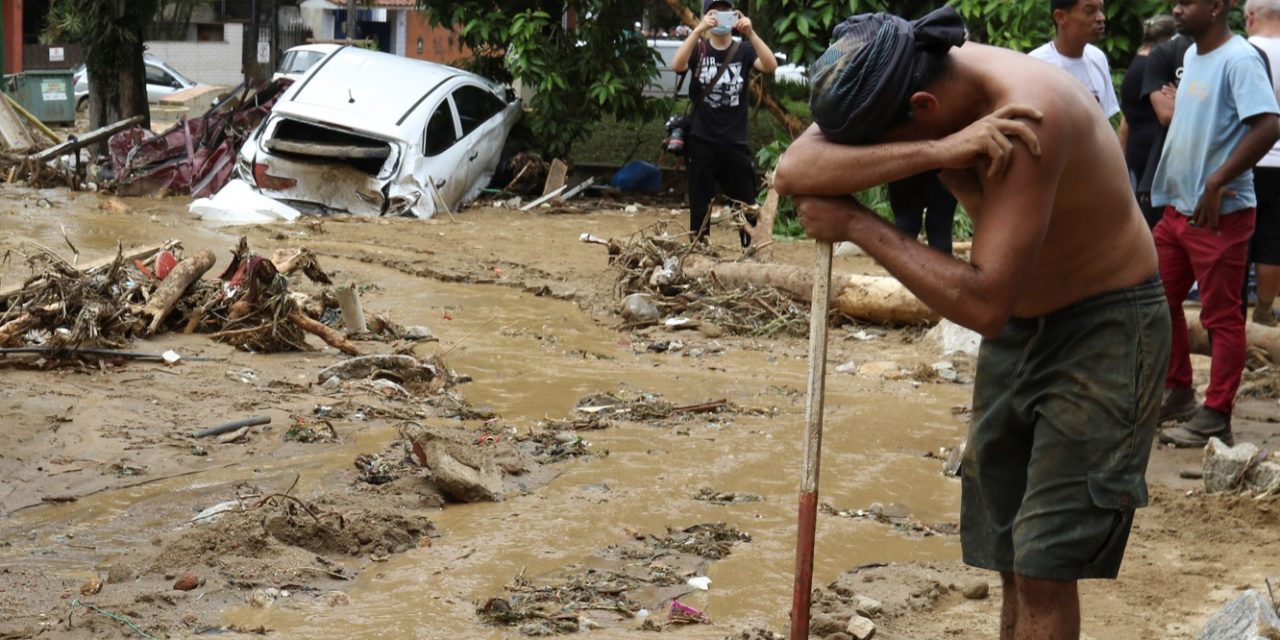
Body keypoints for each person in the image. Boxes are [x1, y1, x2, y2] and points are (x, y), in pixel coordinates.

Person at [774, 7, 1169, 639]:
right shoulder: (902, 74)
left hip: (1103, 329)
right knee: (1008, 553)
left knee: (1044, 564)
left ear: (924, 102)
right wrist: (936, 150)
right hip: (1021, 330)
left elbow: (985, 304)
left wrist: (856, 224)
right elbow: (793, 172)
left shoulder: (1026, 119)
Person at [1153, 0, 1280, 448]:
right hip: (1177, 209)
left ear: (1219, 5)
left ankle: (1217, 413)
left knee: (1222, 317)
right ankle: (1178, 389)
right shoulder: (1189, 54)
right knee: (1154, 297)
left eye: (1188, 2)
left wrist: (1218, 179)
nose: (1177, 8)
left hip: (1220, 213)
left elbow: (1268, 125)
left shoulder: (1240, 58)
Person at [670, 0, 778, 245]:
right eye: (714, 12)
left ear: (734, 15)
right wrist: (697, 31)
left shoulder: (744, 50)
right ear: (707, 16)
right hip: (702, 142)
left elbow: (770, 65)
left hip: (735, 143)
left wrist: (751, 32)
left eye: (725, 12)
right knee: (699, 206)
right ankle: (698, 251)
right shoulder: (698, 50)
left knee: (746, 206)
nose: (720, 17)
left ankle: (749, 251)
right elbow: (677, 65)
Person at [1120, 15, 1178, 226]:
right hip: (1151, 155)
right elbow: (1166, 113)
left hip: (1136, 151)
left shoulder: (1136, 64)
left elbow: (1126, 120)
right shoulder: (1153, 68)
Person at [1246, 0, 1280, 326]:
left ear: (1250, 16)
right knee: (1273, 238)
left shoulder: (1243, 51)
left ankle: (1233, 309)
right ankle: (1265, 312)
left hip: (1248, 157)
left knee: (1239, 237)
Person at [1029, 0, 1121, 118]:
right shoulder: (1035, 65)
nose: (1101, 17)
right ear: (1060, 17)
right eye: (1090, 11)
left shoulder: (1098, 58)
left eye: (1101, 10)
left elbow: (1104, 123)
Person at [887, 171, 959, 254]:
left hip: (906, 168)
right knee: (939, 227)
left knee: (907, 226)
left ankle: (900, 263)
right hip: (945, 167)